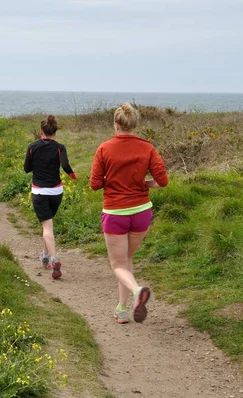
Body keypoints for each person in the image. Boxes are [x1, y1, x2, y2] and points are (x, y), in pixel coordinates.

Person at [89, 103, 168, 323]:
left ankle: (137, 290)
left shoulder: (104, 148)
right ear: (134, 124)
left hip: (115, 212)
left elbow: (95, 184)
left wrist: (113, 181)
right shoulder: (147, 148)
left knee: (117, 265)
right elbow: (162, 181)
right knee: (127, 259)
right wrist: (142, 184)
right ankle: (122, 310)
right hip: (142, 211)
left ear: (116, 124)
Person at [24, 115, 77, 279]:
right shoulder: (60, 147)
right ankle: (45, 257)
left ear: (41, 131)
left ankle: (54, 259)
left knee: (47, 227)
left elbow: (27, 168)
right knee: (48, 224)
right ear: (55, 132)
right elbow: (65, 165)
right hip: (56, 192)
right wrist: (73, 176)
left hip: (39, 192)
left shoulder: (33, 147)